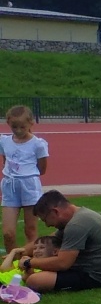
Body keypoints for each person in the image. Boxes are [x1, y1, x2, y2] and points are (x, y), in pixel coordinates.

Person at [21, 191, 101, 293]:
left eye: (45, 220)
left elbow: (63, 263)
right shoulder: (77, 217)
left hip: (97, 276)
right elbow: (50, 239)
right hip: (98, 271)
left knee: (35, 281)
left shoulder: (76, 225)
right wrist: (19, 252)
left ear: (55, 212)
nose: (47, 225)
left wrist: (29, 262)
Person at [1, 105, 48, 252]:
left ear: (30, 124)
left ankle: (30, 263)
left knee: (30, 230)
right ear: (8, 123)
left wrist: (27, 175)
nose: (18, 130)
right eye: (14, 127)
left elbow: (42, 168)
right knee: (8, 233)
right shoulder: (4, 141)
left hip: (29, 186)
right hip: (10, 186)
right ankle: (12, 264)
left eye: (22, 126)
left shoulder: (38, 144)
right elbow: (5, 160)